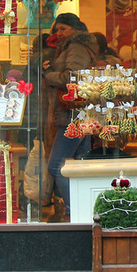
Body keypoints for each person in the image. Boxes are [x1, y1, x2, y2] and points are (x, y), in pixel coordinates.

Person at [42, 13, 99, 221]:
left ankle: (75, 212)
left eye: (63, 29)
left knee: (57, 165)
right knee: (79, 164)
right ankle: (85, 211)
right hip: (80, 113)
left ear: (75, 29)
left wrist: (48, 75)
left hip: (73, 114)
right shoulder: (73, 46)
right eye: (57, 29)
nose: (58, 33)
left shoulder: (75, 47)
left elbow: (72, 77)